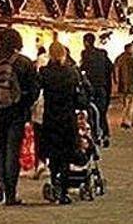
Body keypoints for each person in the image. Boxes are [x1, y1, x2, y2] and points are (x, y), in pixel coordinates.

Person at [0, 28, 38, 205]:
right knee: (13, 150)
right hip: (17, 111)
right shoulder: (24, 62)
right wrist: (25, 102)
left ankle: (0, 182)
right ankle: (11, 192)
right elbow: (34, 88)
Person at [38, 41, 81, 204]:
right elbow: (79, 96)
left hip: (50, 117)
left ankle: (54, 183)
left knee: (53, 155)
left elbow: (37, 91)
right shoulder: (71, 72)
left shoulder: (44, 72)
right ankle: (63, 191)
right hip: (67, 117)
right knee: (65, 155)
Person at [80, 33, 113, 147]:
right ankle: (105, 134)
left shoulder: (85, 54)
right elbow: (109, 68)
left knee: (92, 113)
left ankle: (95, 136)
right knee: (102, 112)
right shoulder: (102, 54)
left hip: (91, 88)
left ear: (86, 42)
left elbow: (83, 70)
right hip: (102, 87)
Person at [114, 43, 133, 129]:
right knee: (131, 104)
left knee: (125, 104)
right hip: (132, 84)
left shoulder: (120, 59)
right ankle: (128, 121)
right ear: (129, 49)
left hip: (123, 85)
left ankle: (129, 119)